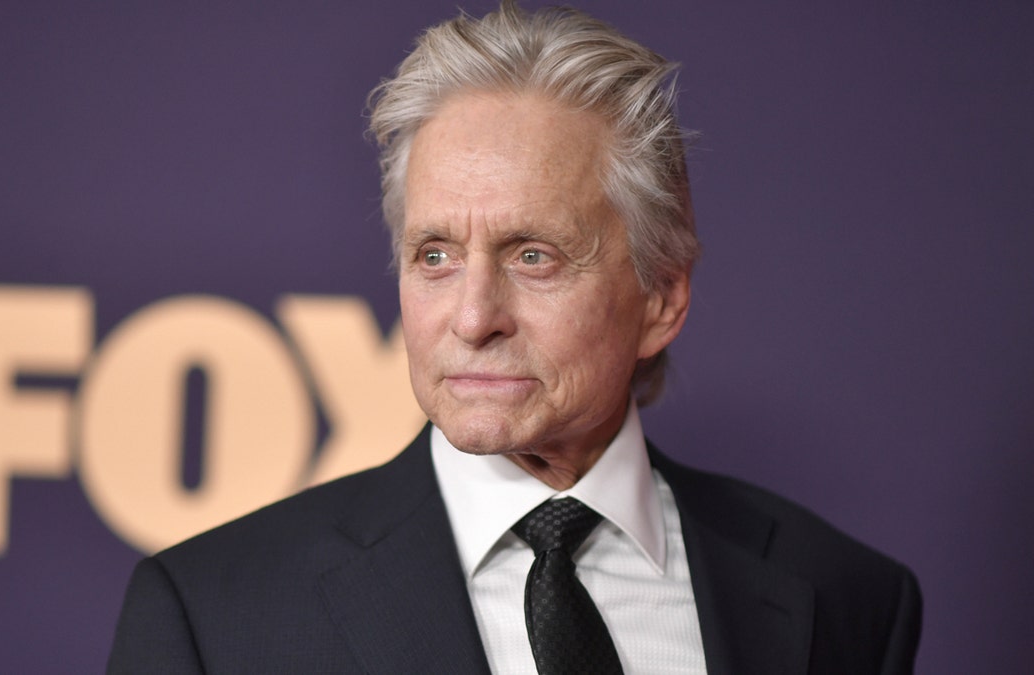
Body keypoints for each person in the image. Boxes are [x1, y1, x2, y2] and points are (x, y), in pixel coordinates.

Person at [106, 2, 922, 673]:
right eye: (435, 255)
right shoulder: (213, 617)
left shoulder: (843, 600)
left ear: (661, 299)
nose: (472, 317)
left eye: (534, 256)